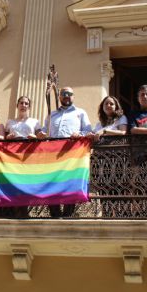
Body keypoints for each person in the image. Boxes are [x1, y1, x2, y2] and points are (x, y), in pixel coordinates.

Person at [37, 86, 92, 218]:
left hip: (72, 155)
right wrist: (40, 134)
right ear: (59, 97)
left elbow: (88, 131)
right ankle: (54, 214)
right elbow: (45, 131)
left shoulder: (80, 113)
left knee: (70, 183)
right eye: (63, 93)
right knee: (52, 182)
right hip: (53, 154)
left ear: (73, 96)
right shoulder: (52, 115)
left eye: (69, 93)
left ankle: (68, 214)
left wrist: (79, 133)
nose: (66, 95)